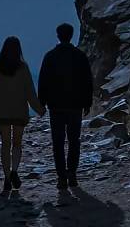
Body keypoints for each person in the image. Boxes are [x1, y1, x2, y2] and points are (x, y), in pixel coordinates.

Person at [38, 23, 93, 189]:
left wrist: (42, 102)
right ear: (71, 35)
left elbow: (43, 81)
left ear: (58, 35)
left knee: (58, 142)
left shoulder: (50, 56)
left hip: (56, 106)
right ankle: (72, 174)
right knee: (74, 140)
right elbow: (87, 81)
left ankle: (61, 177)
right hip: (75, 105)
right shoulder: (80, 56)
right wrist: (87, 102)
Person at [0, 36, 45, 191]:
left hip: (2, 112)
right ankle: (14, 171)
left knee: (5, 145)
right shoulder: (23, 67)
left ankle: (6, 177)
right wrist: (39, 109)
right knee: (17, 143)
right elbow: (30, 92)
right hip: (19, 111)